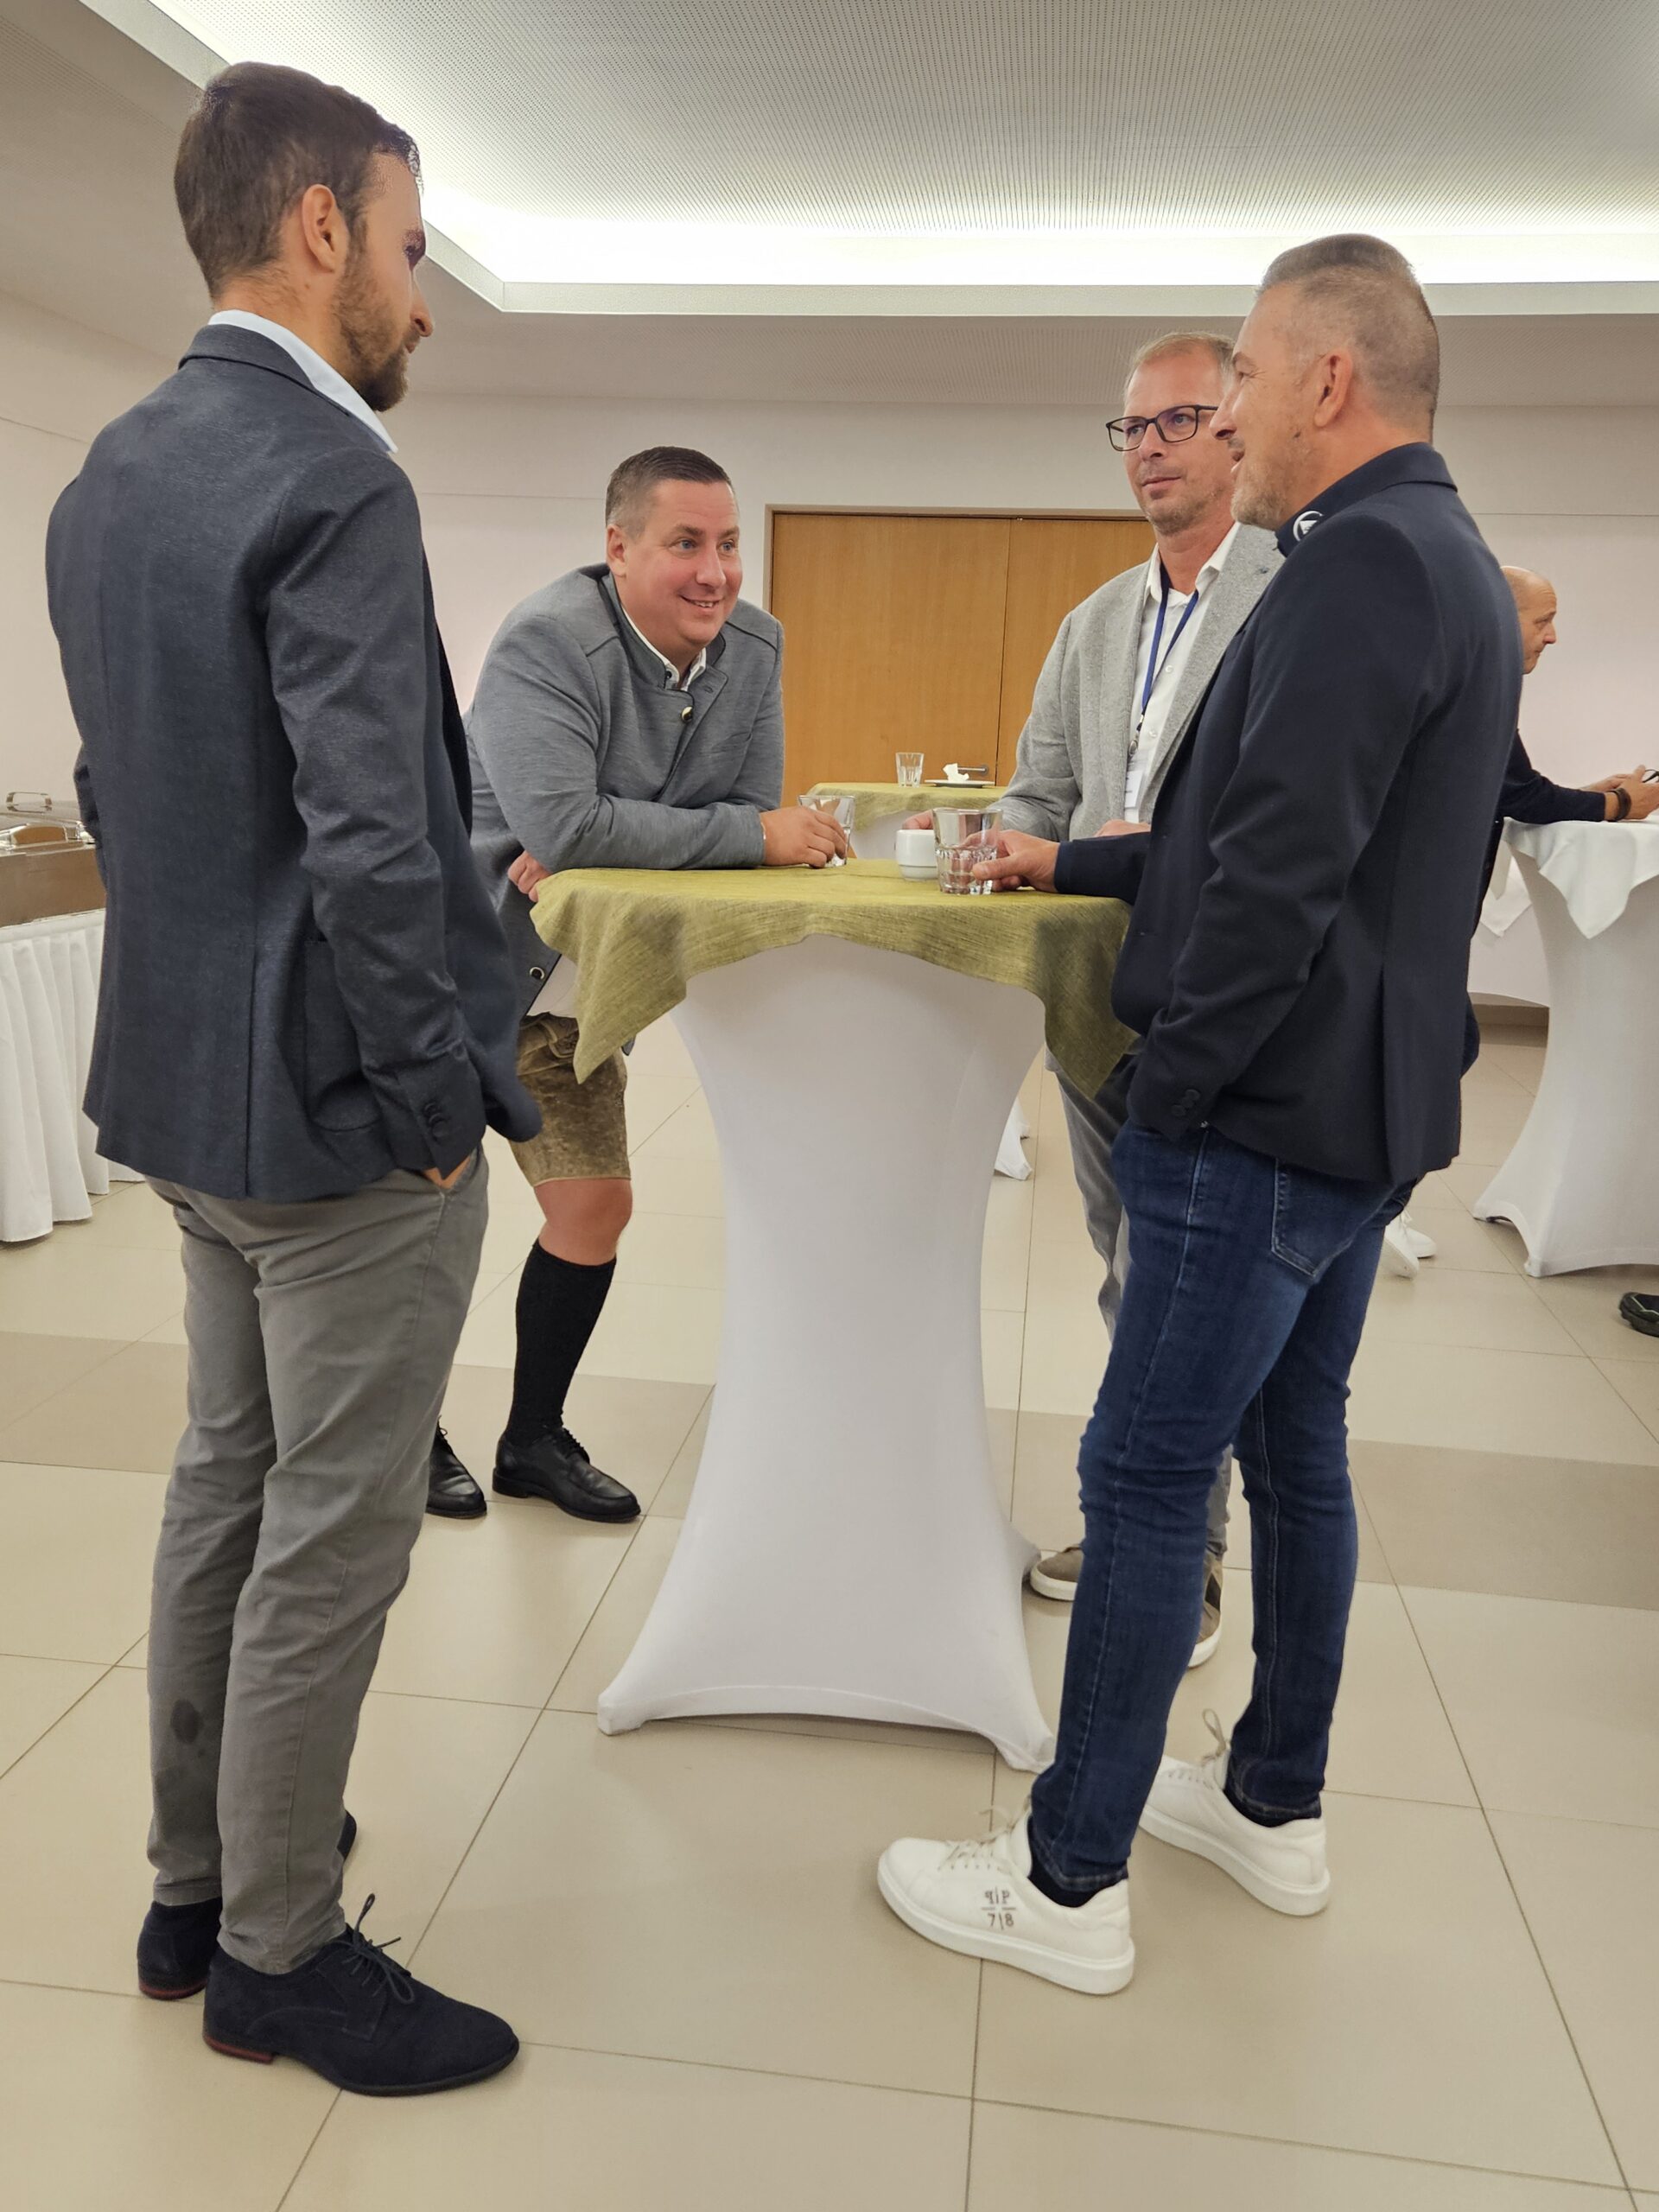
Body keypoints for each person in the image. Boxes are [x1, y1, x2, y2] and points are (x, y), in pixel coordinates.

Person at [877, 235, 1520, 1995]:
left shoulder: (1356, 566)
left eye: (1240, 373)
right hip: (1363, 1111)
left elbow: (1268, 877)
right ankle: (1270, 1800)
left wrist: (1171, 1089)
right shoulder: (1448, 557)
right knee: (1295, 1456)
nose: (1225, 412)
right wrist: (1086, 877)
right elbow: (1312, 844)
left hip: (1258, 1118)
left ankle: (1065, 1881)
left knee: (1147, 1474)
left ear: (1329, 378)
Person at [46, 63, 537, 2092]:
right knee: (331, 1529)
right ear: (320, 229)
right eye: (412, 249)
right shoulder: (336, 475)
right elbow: (369, 832)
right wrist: (433, 1097)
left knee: (222, 1486)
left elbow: (116, 788)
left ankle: (194, 1886)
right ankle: (278, 1947)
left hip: (184, 1098)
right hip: (339, 1126)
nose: (424, 300)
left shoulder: (106, 474)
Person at [423, 448, 847, 1521]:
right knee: (424, 1216)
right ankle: (400, 1437)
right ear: (618, 548)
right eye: (685, 543)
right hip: (462, 977)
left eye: (729, 544)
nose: (716, 571)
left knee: (593, 1207)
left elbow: (731, 815)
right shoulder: (547, 642)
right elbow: (601, 827)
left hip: (576, 991)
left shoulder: (755, 646)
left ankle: (532, 1439)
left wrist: (610, 842)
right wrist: (678, 836)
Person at [960, 330, 1281, 1649]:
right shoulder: (1096, 621)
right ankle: (1143, 1518)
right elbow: (1041, 788)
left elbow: (1266, 825)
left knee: (1188, 1282)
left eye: (1177, 421)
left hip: (1229, 999)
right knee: (1127, 1272)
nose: (1148, 449)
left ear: (1239, 428)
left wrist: (1082, 848)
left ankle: (1184, 1558)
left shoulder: (1291, 595)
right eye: (1132, 429)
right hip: (1100, 1000)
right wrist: (1001, 841)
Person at [1491, 565, 1657, 857]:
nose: (1552, 637)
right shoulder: (1479, 689)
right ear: (1500, 617)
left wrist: (1589, 797)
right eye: (1542, 622)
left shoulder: (1481, 682)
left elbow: (1509, 790)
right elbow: (1522, 797)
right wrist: (1620, 803)